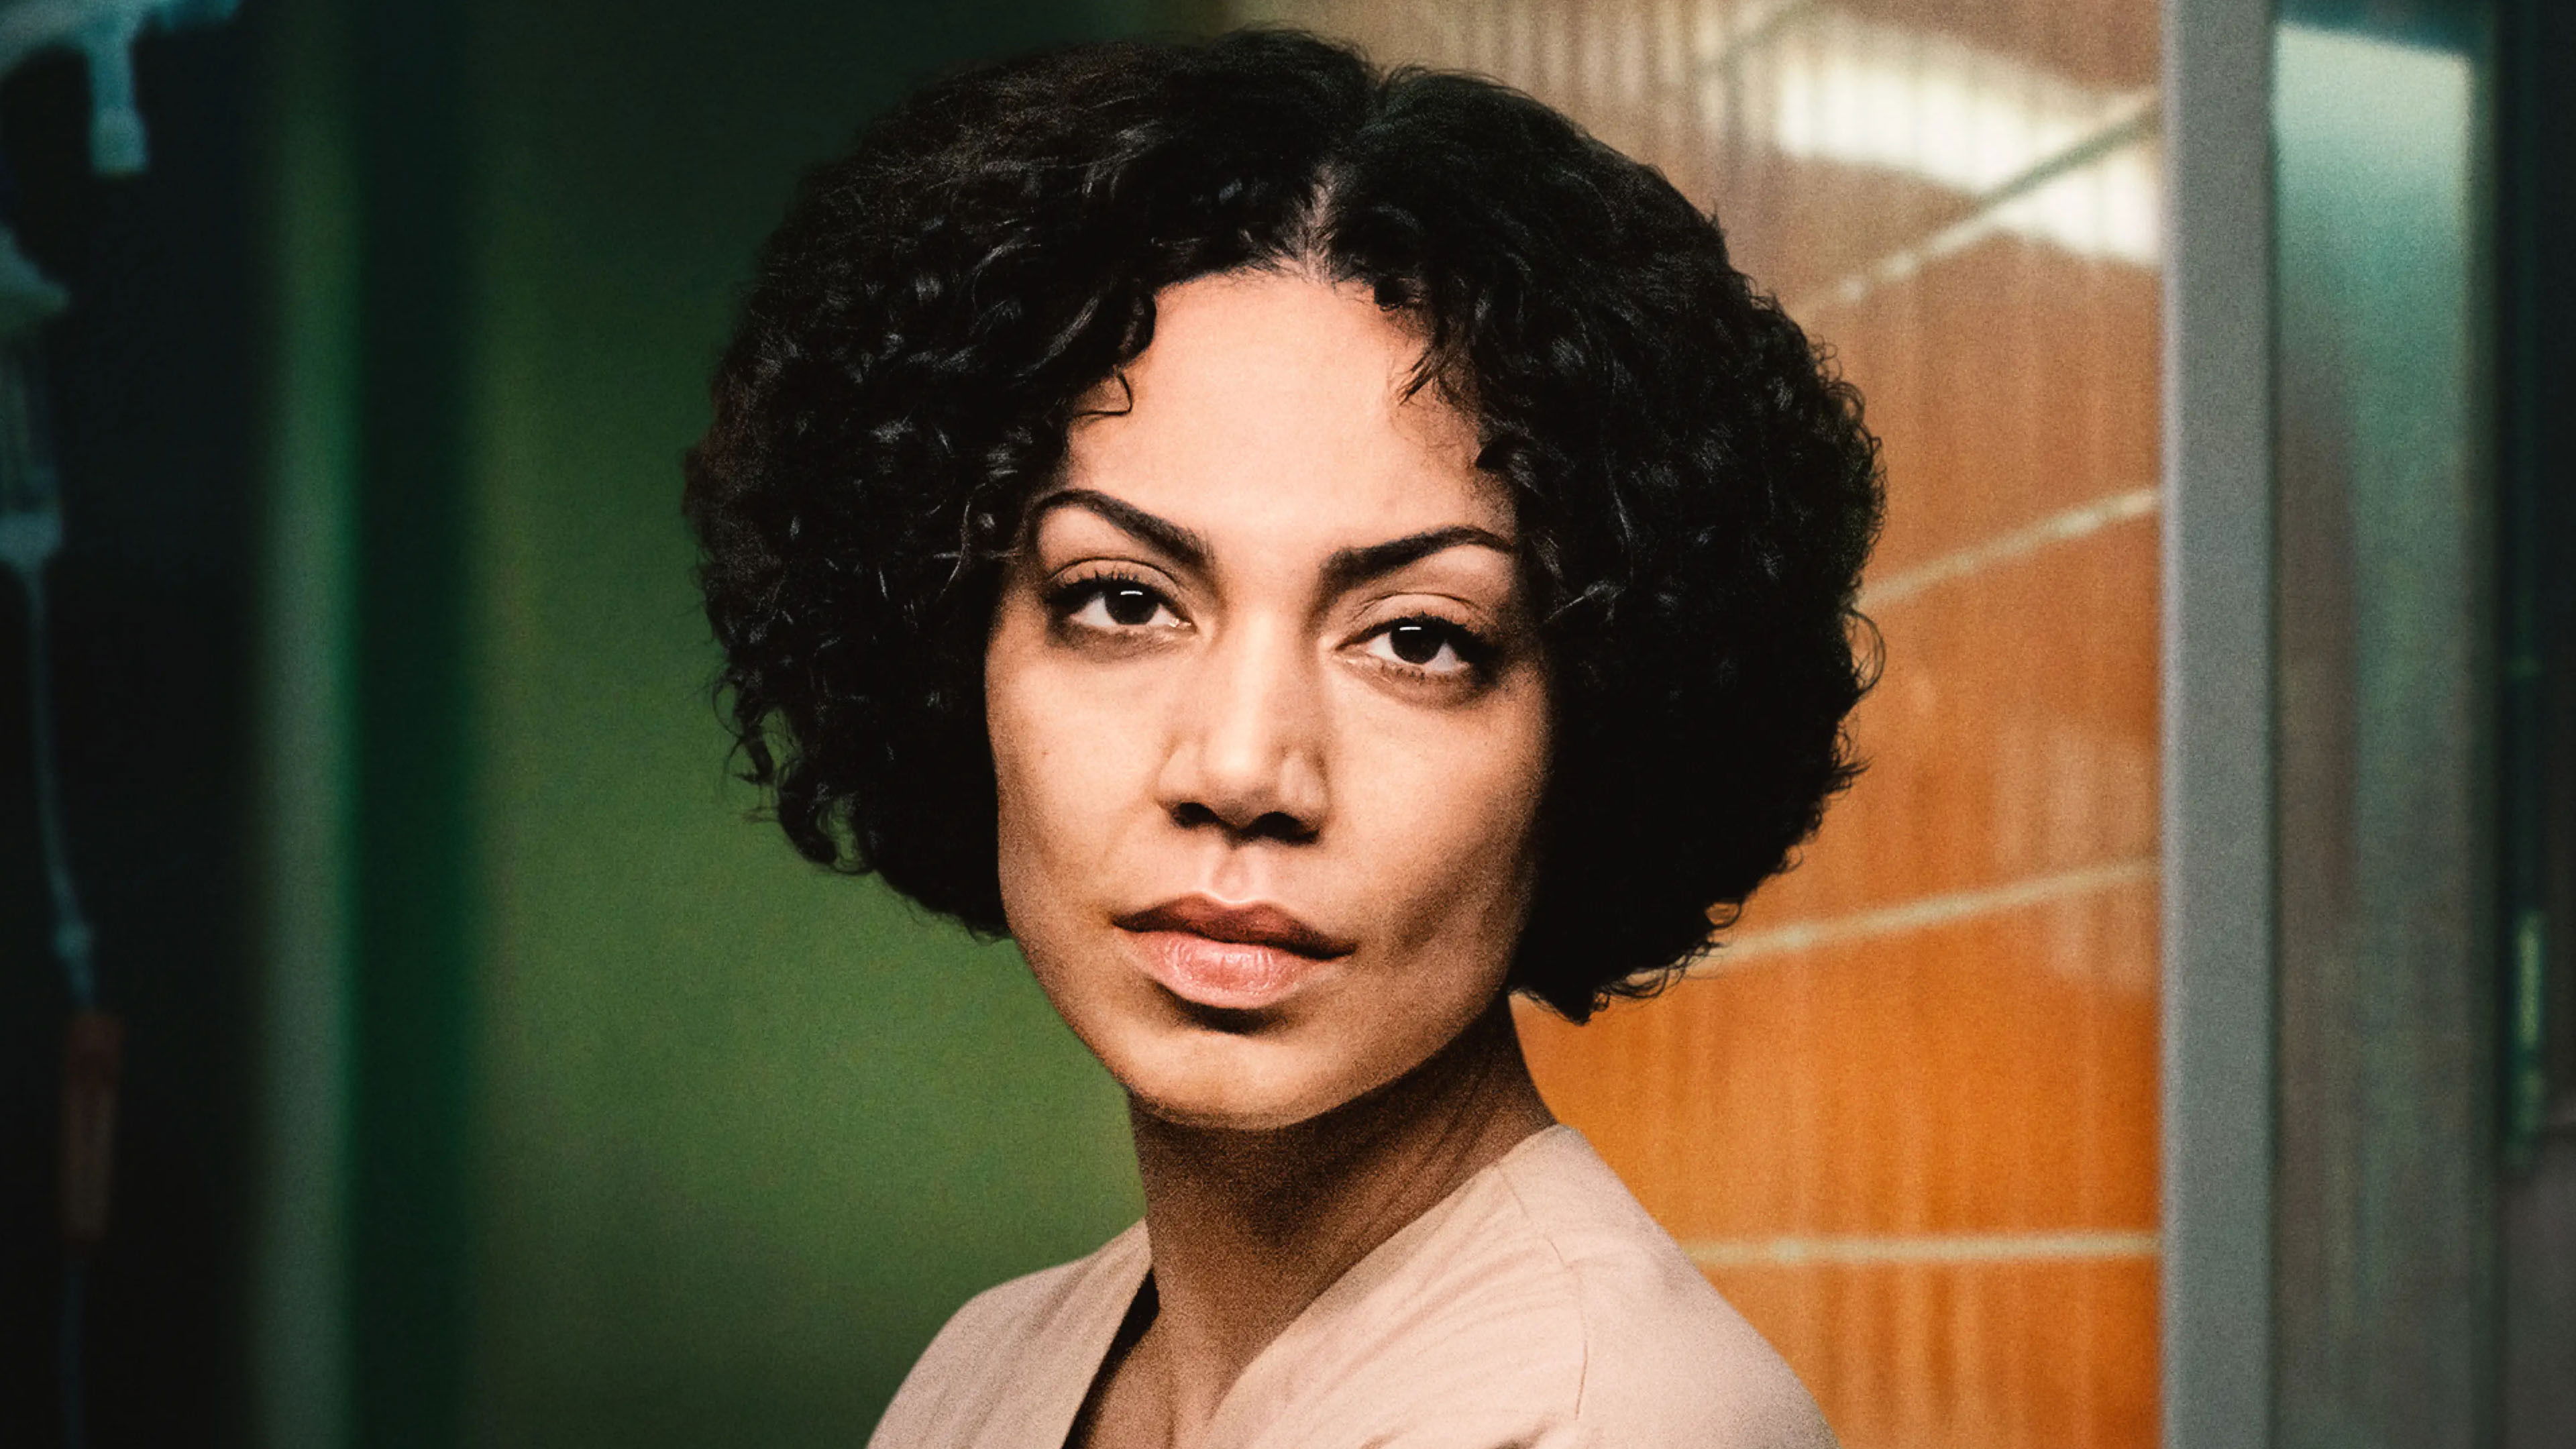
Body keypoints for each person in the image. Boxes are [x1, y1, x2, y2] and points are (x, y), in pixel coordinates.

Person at [684, 27, 1880, 1449]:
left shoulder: (1609, 1425)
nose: (1245, 769)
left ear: (1596, 734)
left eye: (1418, 639)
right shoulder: (986, 1371)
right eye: (1124, 600)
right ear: (953, 655)